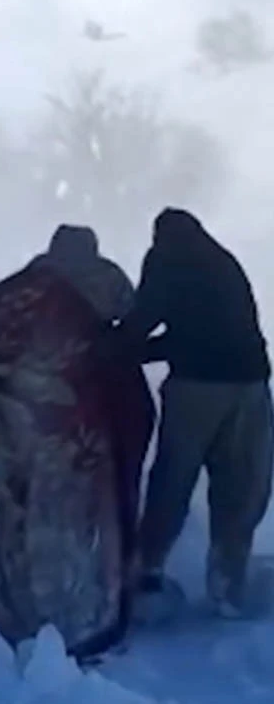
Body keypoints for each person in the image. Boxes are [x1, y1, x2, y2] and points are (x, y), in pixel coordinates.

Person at [0, 237, 155, 659]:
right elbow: (131, 318)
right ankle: (79, 623)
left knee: (12, 511)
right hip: (75, 424)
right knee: (77, 519)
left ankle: (10, 614)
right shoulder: (102, 281)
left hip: (5, 420)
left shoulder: (8, 292)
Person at [117, 207, 273, 618]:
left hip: (197, 388)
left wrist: (116, 347)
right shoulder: (221, 260)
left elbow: (145, 319)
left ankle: (148, 574)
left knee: (173, 478)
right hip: (250, 383)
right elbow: (214, 329)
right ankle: (228, 583)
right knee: (241, 485)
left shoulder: (166, 260)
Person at [28, 224, 135, 322]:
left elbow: (19, 300)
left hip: (44, 333)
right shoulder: (110, 273)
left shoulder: (39, 267)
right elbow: (130, 312)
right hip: (94, 334)